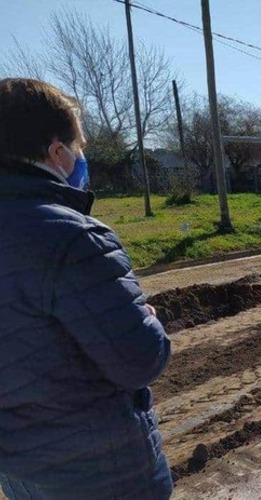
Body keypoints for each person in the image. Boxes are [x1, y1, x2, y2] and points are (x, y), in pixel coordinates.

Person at [0, 78, 172, 499]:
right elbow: (139, 361)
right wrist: (148, 323)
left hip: (20, 471)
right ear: (56, 152)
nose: (81, 157)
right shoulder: (74, 238)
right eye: (78, 147)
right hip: (102, 473)